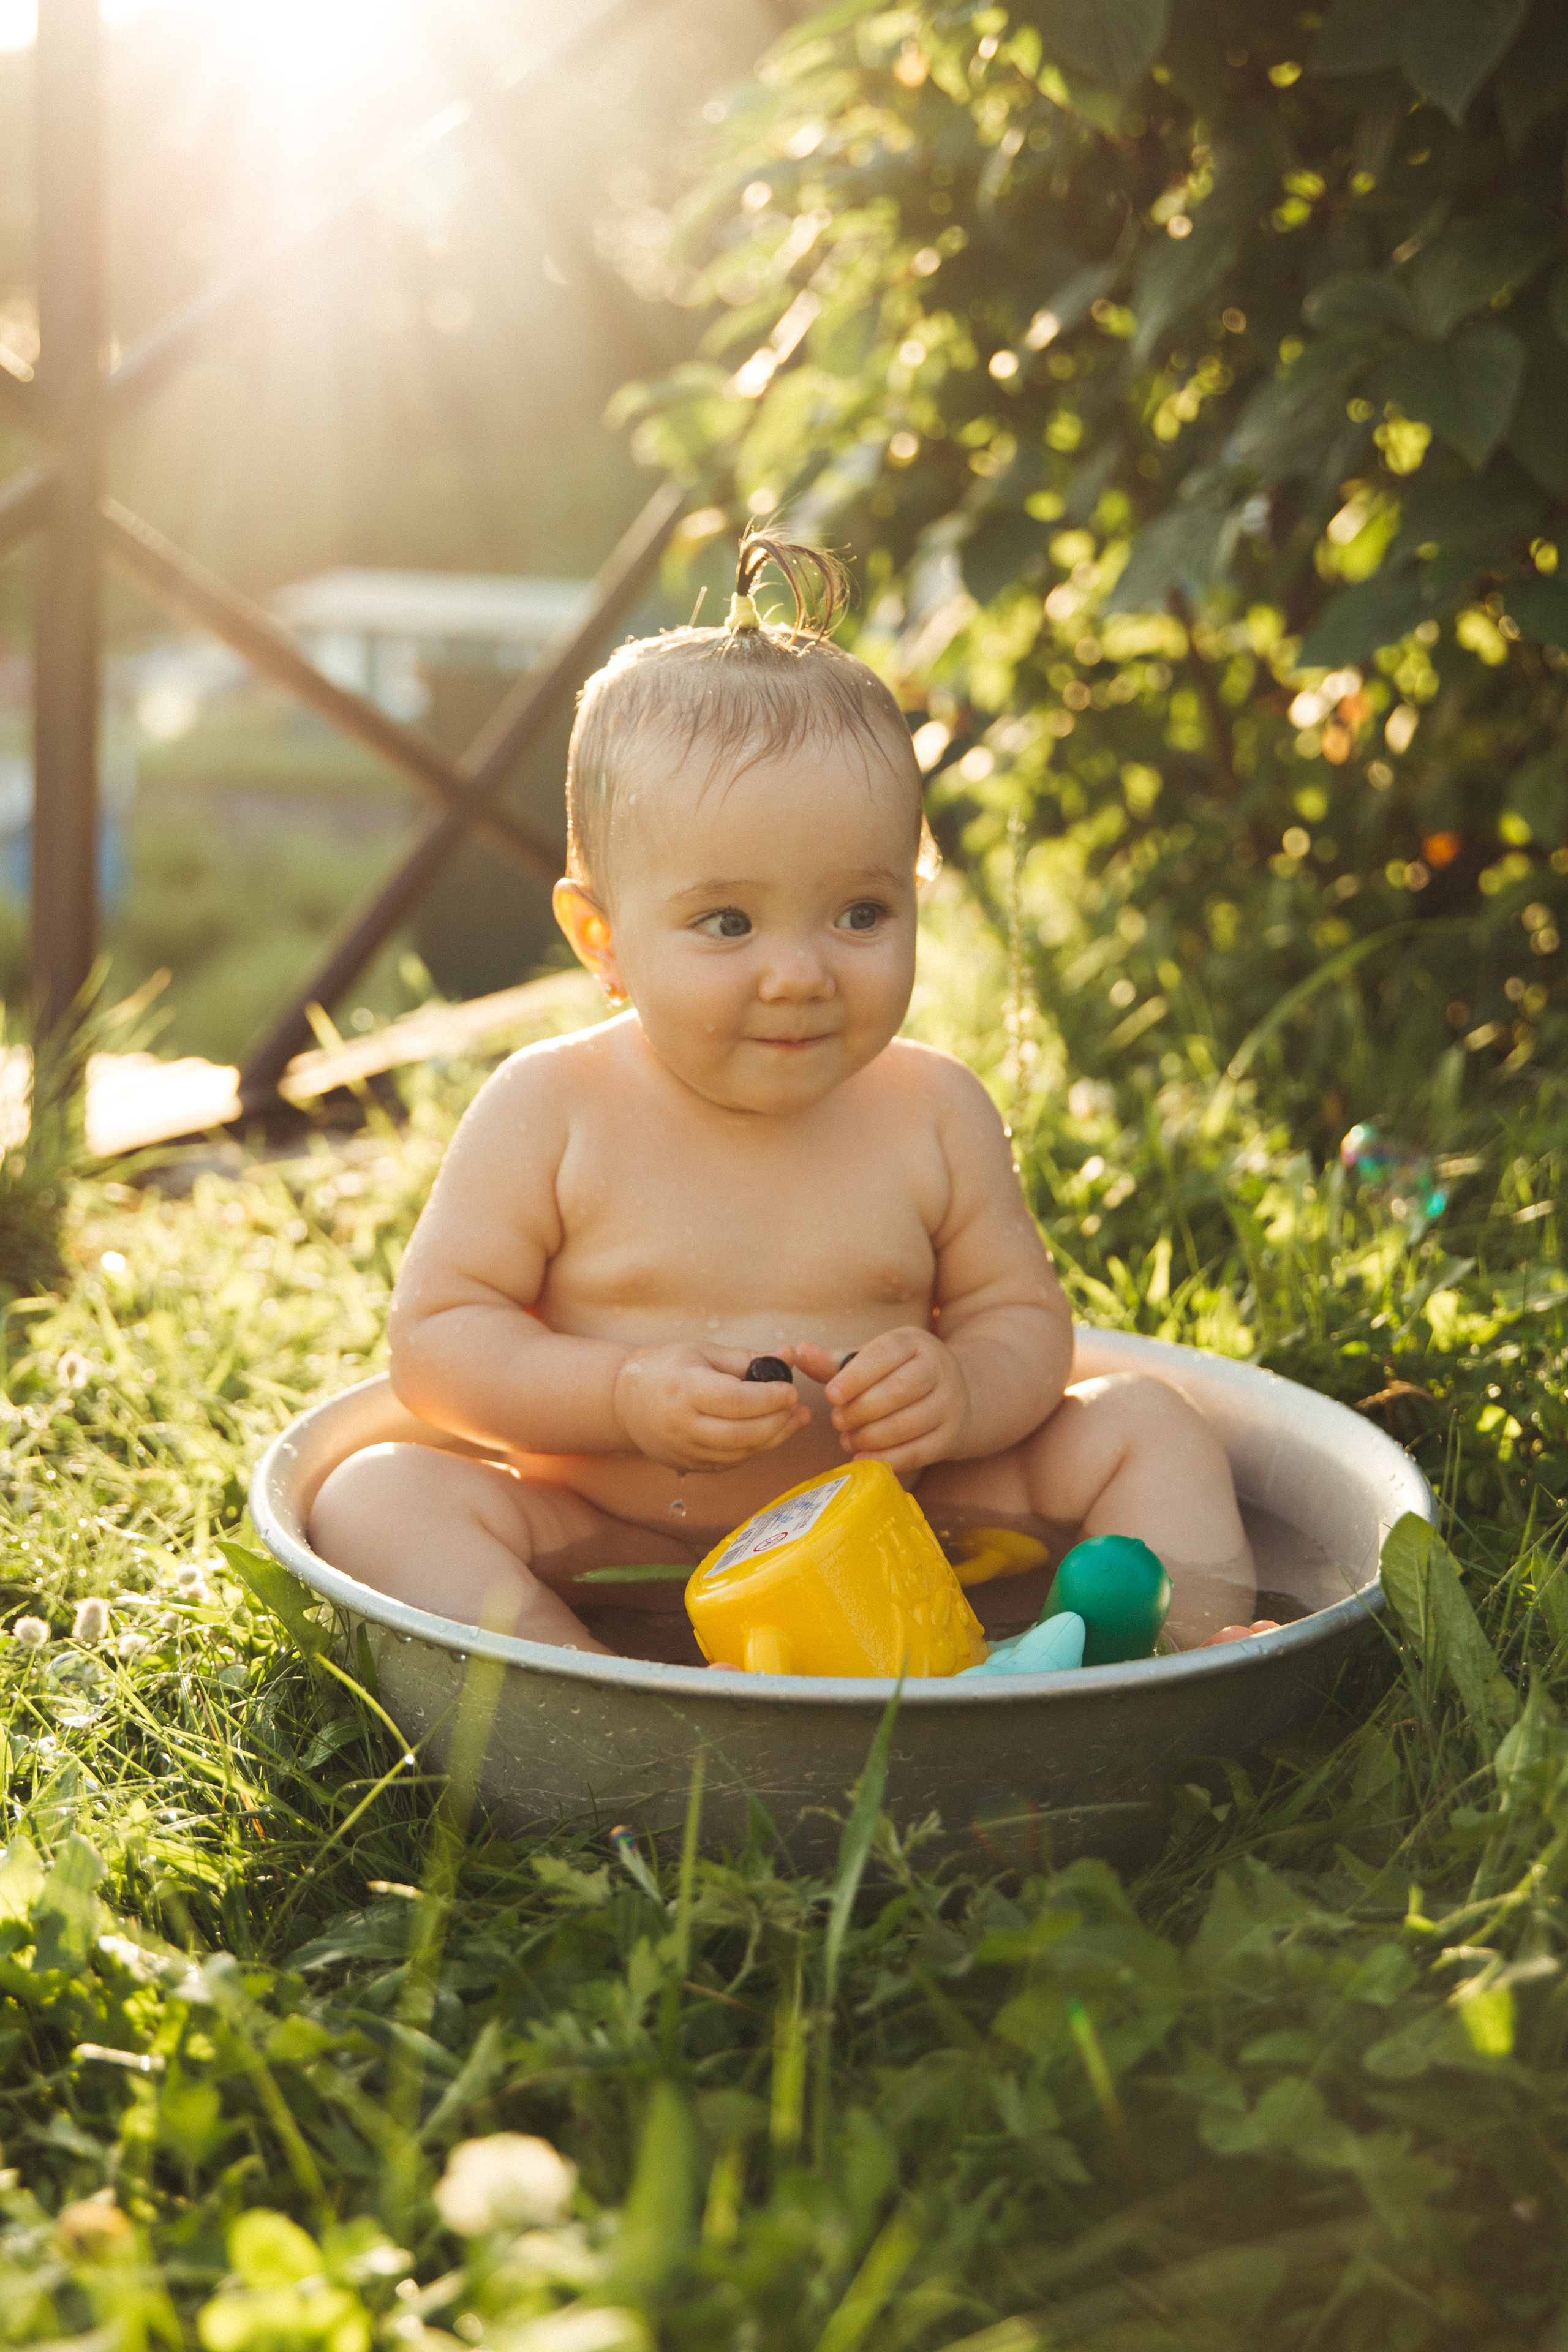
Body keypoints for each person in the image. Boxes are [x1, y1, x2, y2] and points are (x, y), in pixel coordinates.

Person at [311, 530, 1274, 1658]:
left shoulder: (933, 1112)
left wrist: (960, 1389)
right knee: (376, 1495)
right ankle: (579, 1677)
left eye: (861, 913)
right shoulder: (552, 1112)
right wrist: (621, 1396)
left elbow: (1027, 1328)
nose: (800, 972)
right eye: (728, 921)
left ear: (917, 890)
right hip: (620, 1541)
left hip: (912, 1535)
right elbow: (437, 1346)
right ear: (602, 939)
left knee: (1149, 1424)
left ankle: (1179, 1665)